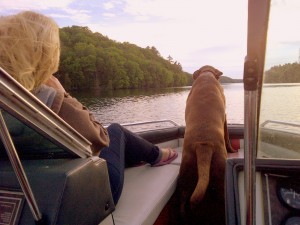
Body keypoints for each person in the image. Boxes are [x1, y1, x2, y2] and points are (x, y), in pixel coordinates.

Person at [0, 11, 178, 204]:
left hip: (23, 187)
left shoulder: (7, 99)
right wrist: (64, 94)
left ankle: (152, 154)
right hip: (86, 194)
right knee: (115, 130)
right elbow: (100, 139)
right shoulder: (51, 100)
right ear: (45, 54)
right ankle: (157, 155)